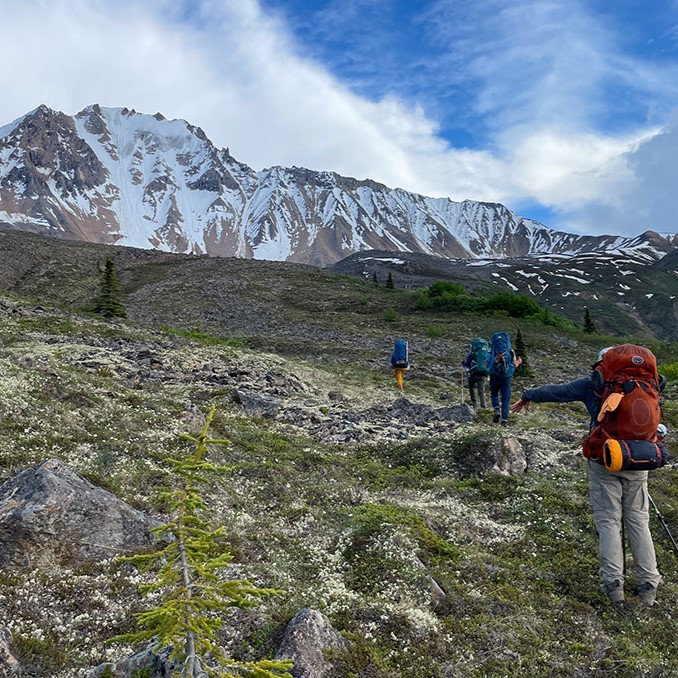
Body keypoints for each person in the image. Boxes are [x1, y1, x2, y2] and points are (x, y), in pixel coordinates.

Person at [511, 346, 662, 606]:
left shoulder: (593, 385)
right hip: (639, 459)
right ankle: (648, 585)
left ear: (603, 365)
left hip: (604, 458)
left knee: (609, 521)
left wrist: (528, 395)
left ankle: (613, 585)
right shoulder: (647, 382)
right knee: (638, 520)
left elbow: (557, 392)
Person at [488, 331, 522, 426]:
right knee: (505, 398)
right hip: (506, 377)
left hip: (494, 375)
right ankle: (504, 420)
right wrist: (519, 362)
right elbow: (515, 364)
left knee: (494, 394)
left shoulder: (491, 351)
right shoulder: (510, 352)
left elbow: (488, 363)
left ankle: (496, 409)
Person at [461, 338, 489, 408]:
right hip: (483, 372)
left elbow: (467, 363)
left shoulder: (473, 353)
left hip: (474, 372)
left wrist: (463, 363)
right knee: (481, 389)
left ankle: (473, 402)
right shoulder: (486, 353)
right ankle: (483, 404)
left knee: (471, 387)